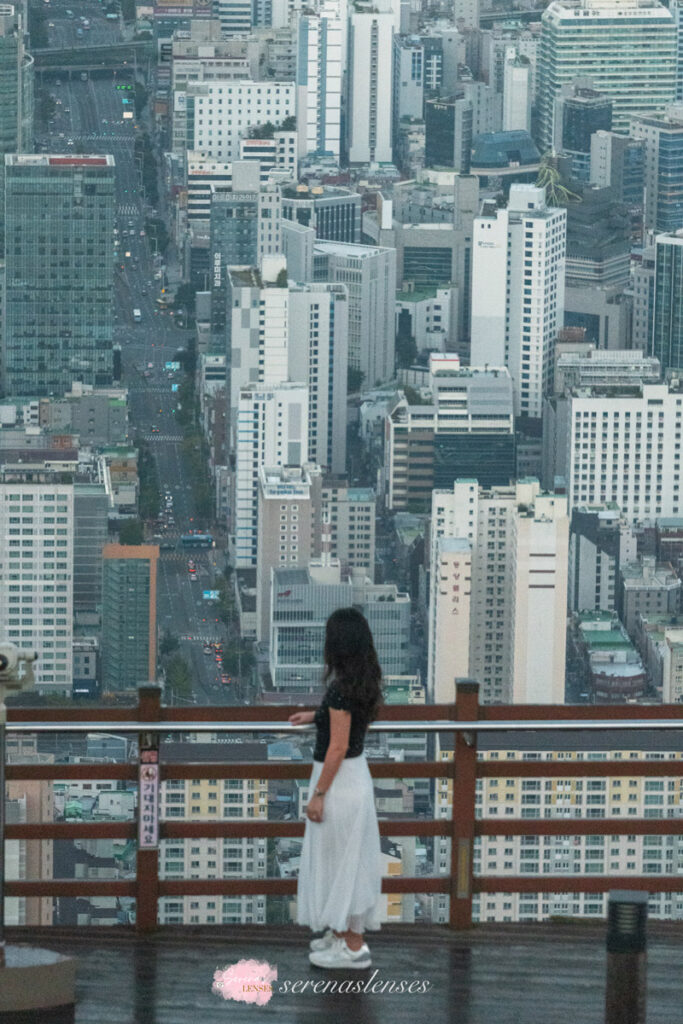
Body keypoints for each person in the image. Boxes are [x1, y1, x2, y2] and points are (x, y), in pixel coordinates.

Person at [289, 607, 384, 969]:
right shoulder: (361, 682)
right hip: (353, 777)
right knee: (348, 860)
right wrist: (315, 716)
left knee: (342, 862)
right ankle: (343, 934)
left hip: (339, 780)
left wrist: (319, 794)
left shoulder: (342, 689)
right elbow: (347, 724)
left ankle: (353, 947)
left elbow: (338, 746)